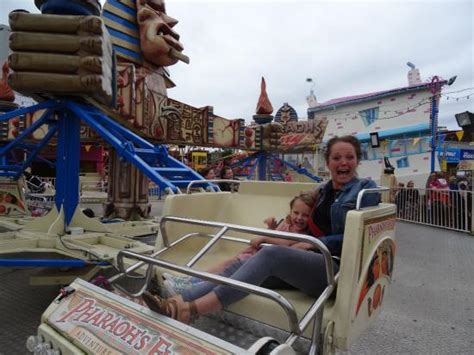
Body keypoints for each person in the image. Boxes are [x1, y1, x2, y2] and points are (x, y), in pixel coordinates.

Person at [142, 135, 380, 323]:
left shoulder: (364, 191)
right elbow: (298, 210)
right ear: (328, 162)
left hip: (333, 267)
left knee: (269, 254)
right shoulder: (323, 190)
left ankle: (191, 311)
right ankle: (171, 303)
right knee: (244, 265)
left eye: (349, 157)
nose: (343, 163)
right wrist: (276, 228)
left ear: (357, 161)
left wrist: (315, 243)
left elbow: (358, 234)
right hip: (306, 261)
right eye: (337, 158)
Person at [162, 191, 319, 295]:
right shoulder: (286, 224)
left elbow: (283, 242)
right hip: (257, 253)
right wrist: (271, 228)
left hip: (262, 260)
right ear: (290, 211)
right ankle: (189, 280)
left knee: (227, 269)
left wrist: (264, 238)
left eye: (305, 215)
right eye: (296, 213)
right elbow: (276, 235)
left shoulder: (301, 234)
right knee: (224, 265)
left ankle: (193, 286)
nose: (299, 218)